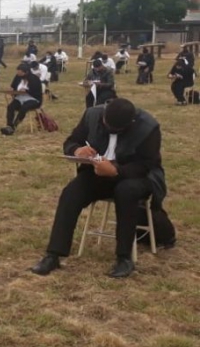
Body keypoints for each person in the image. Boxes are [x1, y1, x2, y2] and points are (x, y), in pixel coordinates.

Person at [31, 98, 174, 279]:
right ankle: (53, 254)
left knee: (126, 191)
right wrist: (77, 150)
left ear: (130, 123)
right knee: (71, 192)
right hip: (98, 173)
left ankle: (124, 258)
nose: (110, 130)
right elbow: (71, 141)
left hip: (136, 177)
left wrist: (116, 170)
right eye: (107, 125)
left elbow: (147, 164)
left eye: (116, 130)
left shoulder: (148, 127)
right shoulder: (92, 115)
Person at [0, 63, 43, 135]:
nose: (18, 74)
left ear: (26, 72)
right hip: (20, 97)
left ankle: (14, 126)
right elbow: (13, 86)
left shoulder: (34, 79)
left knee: (24, 107)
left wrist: (26, 91)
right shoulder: (17, 77)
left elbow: (36, 91)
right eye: (17, 72)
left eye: (20, 73)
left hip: (33, 98)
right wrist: (12, 90)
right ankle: (9, 125)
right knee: (10, 107)